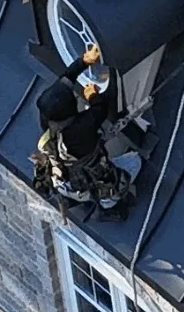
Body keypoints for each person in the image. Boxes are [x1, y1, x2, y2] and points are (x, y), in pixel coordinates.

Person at [30, 47, 135, 218]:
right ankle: (108, 203)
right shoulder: (80, 130)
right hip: (84, 183)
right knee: (134, 161)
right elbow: (100, 109)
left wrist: (84, 61)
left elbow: (66, 79)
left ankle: (75, 195)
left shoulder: (48, 119)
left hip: (62, 180)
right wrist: (93, 95)